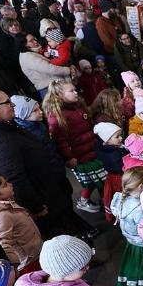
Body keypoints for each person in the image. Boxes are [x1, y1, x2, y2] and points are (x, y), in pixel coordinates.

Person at [0, 88, 93, 240]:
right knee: (63, 234)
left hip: (48, 189)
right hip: (43, 198)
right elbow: (16, 177)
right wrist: (35, 205)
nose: (12, 105)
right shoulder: (0, 140)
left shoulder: (2, 126)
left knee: (68, 222)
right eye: (7, 102)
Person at [43, 80, 106, 214]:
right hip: (79, 156)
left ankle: (105, 200)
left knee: (99, 178)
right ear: (60, 94)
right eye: (71, 91)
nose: (76, 92)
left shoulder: (78, 106)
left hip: (92, 149)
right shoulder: (57, 115)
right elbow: (60, 141)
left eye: (75, 89)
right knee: (94, 180)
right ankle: (89, 201)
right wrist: (69, 157)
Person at [0, 174, 43, 273]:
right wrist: (13, 268)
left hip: (35, 255)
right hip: (28, 264)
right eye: (5, 185)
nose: (10, 184)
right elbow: (3, 244)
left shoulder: (5, 205)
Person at [111, 167, 143, 286]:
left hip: (131, 243)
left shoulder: (120, 199)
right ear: (141, 186)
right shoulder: (141, 208)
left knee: (135, 268)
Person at [92, 121, 126, 223]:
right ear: (106, 140)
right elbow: (120, 168)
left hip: (115, 177)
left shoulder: (113, 148)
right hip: (119, 179)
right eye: (117, 137)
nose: (121, 138)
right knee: (122, 197)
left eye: (120, 135)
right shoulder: (112, 154)